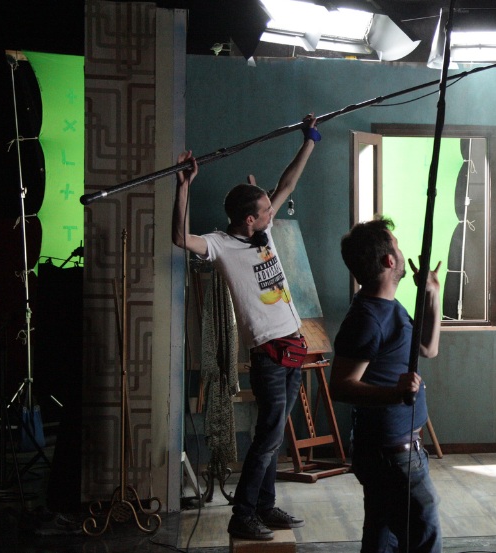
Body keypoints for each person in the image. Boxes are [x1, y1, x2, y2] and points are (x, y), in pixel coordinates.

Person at [171, 114, 320, 541]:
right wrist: (184, 186)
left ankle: (265, 506)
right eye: (266, 210)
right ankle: (243, 514)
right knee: (268, 437)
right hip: (269, 356)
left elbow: (287, 183)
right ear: (249, 219)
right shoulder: (220, 245)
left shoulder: (262, 234)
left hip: (293, 347)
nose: (272, 211)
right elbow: (181, 239)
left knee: (273, 436)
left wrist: (309, 140)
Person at [329, 215, 444, 553]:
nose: (402, 252)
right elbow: (340, 386)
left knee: (383, 538)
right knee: (423, 536)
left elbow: (428, 348)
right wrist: (394, 393)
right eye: (397, 246)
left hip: (395, 448)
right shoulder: (367, 318)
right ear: (389, 261)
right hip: (390, 453)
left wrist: (432, 294)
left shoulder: (389, 307)